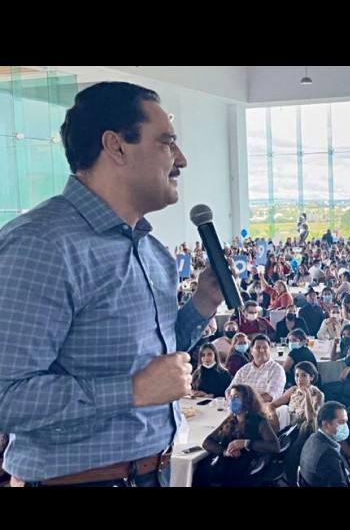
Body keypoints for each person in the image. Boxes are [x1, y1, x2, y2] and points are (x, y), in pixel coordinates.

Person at [0, 82, 227, 487]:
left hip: (155, 471)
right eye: (167, 142)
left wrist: (202, 305)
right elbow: (7, 395)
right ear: (116, 147)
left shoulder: (152, 252)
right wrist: (131, 391)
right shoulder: (42, 245)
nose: (181, 159)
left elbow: (152, 360)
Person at [199, 384, 280, 487]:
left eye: (236, 397)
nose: (232, 400)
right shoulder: (231, 420)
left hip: (247, 472)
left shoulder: (260, 421)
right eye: (231, 397)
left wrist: (246, 443)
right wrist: (224, 451)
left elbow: (275, 446)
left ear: (246, 400)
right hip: (228, 466)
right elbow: (207, 442)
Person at [298, 401, 350, 487]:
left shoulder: (313, 437)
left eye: (346, 422)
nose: (345, 426)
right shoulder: (328, 455)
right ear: (326, 425)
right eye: (341, 422)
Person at [265, 361, 324, 433]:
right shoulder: (294, 389)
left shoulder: (317, 394)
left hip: (299, 427)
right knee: (281, 410)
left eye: (304, 375)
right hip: (285, 423)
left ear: (312, 377)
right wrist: (274, 417)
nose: (299, 379)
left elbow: (311, 419)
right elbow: (271, 405)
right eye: (297, 375)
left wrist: (307, 396)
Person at [228, 334, 286, 403]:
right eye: (258, 348)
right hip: (241, 406)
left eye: (265, 347)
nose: (262, 350)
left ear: (269, 350)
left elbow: (269, 396)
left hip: (265, 408)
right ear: (251, 351)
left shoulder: (277, 369)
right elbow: (229, 391)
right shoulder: (244, 370)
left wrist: (245, 402)